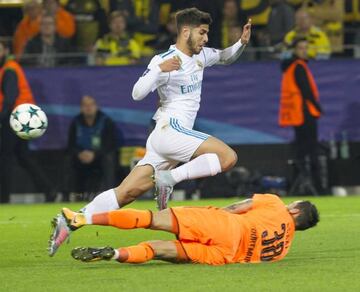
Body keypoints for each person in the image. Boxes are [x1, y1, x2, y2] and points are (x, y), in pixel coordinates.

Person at [48, 7, 251, 256]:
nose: (206, 38)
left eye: (207, 33)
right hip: (170, 130)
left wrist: (241, 42)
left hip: (165, 139)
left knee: (126, 193)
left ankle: (72, 220)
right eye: (202, 33)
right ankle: (170, 179)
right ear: (185, 31)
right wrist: (158, 71)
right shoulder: (164, 59)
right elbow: (137, 93)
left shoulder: (201, 56)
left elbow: (225, 56)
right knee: (227, 157)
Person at [64, 193, 319, 265]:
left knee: (152, 218)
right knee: (157, 250)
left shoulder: (275, 204)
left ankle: (82, 219)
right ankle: (116, 254)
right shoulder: (282, 250)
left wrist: (211, 216)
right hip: (225, 257)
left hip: (226, 226)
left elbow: (237, 208)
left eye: (292, 204)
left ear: (295, 211)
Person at [0, 40, 54, 203]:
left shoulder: (9, 70)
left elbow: (10, 98)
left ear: (6, 50)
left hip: (16, 118)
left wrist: (2, 119)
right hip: (21, 118)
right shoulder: (8, 68)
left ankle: (3, 197)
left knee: (5, 157)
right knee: (23, 157)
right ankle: (49, 190)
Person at [278, 38, 322, 194]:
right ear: (295, 50)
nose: (304, 50)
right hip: (305, 114)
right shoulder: (299, 67)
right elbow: (306, 91)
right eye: (301, 48)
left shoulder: (290, 67)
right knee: (311, 151)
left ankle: (294, 187)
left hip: (298, 115)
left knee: (301, 151)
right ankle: (319, 188)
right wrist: (318, 107)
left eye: (306, 47)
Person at [62, 95, 118, 201]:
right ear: (81, 108)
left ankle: (110, 196)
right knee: (67, 159)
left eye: (91, 105)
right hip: (81, 157)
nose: (88, 108)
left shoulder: (106, 121)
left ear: (96, 106)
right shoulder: (76, 122)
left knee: (109, 158)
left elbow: (110, 144)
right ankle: (67, 196)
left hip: (99, 157)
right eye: (85, 105)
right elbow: (71, 145)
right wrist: (80, 153)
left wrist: (94, 154)